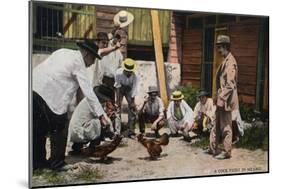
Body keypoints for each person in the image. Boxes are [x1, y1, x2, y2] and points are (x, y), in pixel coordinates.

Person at [32, 40, 110, 171]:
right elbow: (89, 92)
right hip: (49, 95)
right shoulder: (78, 63)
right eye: (93, 58)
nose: (92, 63)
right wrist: (101, 115)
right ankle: (57, 164)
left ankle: (38, 163)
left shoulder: (63, 52)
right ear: (86, 54)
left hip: (33, 87)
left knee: (39, 129)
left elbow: (76, 89)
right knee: (61, 127)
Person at [204, 35, 239, 159]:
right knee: (215, 124)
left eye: (219, 47)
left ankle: (227, 151)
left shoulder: (231, 62)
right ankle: (213, 148)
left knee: (226, 127)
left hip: (225, 101)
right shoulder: (225, 60)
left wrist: (222, 98)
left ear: (225, 47)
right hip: (220, 100)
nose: (218, 50)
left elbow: (230, 85)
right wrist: (216, 97)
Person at [68, 87, 117, 154]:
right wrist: (112, 132)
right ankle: (93, 147)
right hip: (78, 132)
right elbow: (104, 120)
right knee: (98, 123)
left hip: (75, 131)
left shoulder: (89, 100)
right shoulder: (93, 103)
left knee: (96, 123)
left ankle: (77, 146)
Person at [114, 58, 139, 138]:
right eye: (127, 71)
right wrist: (118, 101)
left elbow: (134, 89)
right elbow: (117, 87)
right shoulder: (118, 73)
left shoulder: (136, 75)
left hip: (130, 89)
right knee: (117, 108)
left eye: (130, 71)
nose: (128, 73)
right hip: (120, 89)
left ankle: (131, 131)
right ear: (124, 69)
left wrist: (132, 102)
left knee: (132, 110)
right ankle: (117, 132)